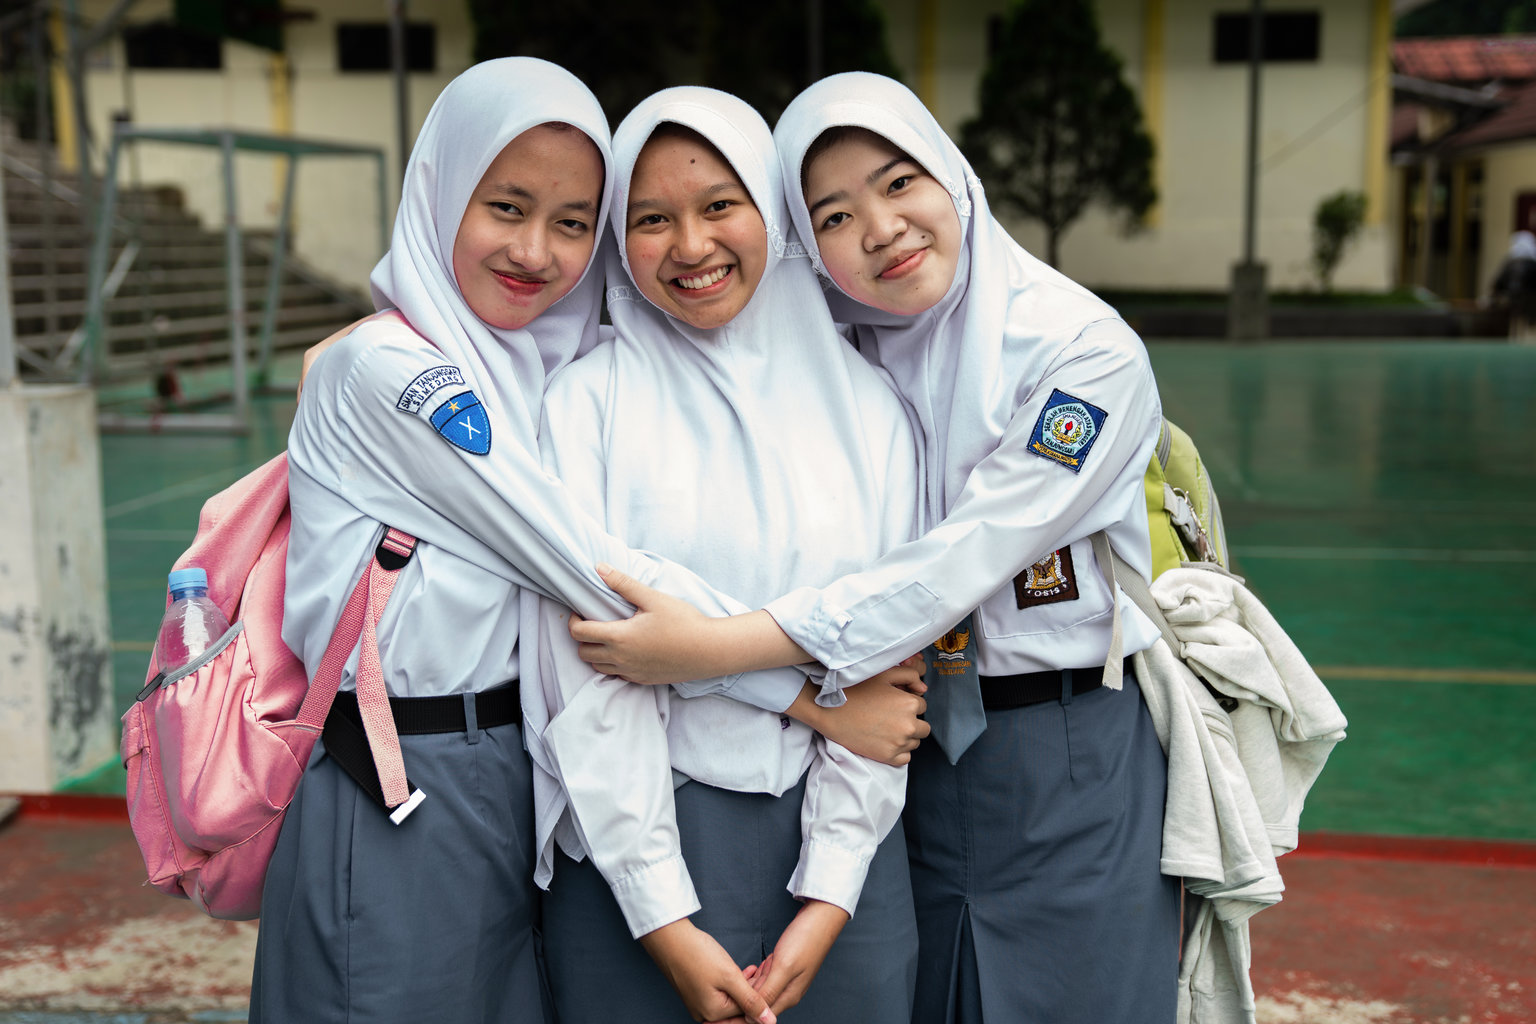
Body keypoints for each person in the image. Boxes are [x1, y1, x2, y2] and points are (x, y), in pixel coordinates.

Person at [571, 72, 1182, 1024]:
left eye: (900, 184)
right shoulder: (853, 342)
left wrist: (717, 650)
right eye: (835, 215)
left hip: (1060, 741)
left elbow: (955, 565)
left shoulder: (1081, 353)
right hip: (910, 750)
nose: (882, 230)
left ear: (954, 176)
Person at [529, 86, 922, 1024]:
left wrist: (831, 893)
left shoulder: (871, 411)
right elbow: (584, 667)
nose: (692, 246)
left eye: (719, 205)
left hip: (846, 863)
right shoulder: (583, 407)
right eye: (651, 219)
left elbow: (888, 669)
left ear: (774, 213)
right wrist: (661, 913)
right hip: (631, 860)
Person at [1491, 230, 1536, 341]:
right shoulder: (1532, 262)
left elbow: (1498, 281)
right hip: (1529, 302)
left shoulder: (1510, 261)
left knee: (1514, 326)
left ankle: (1515, 339)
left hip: (1513, 300)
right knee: (1526, 328)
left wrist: (1495, 294)